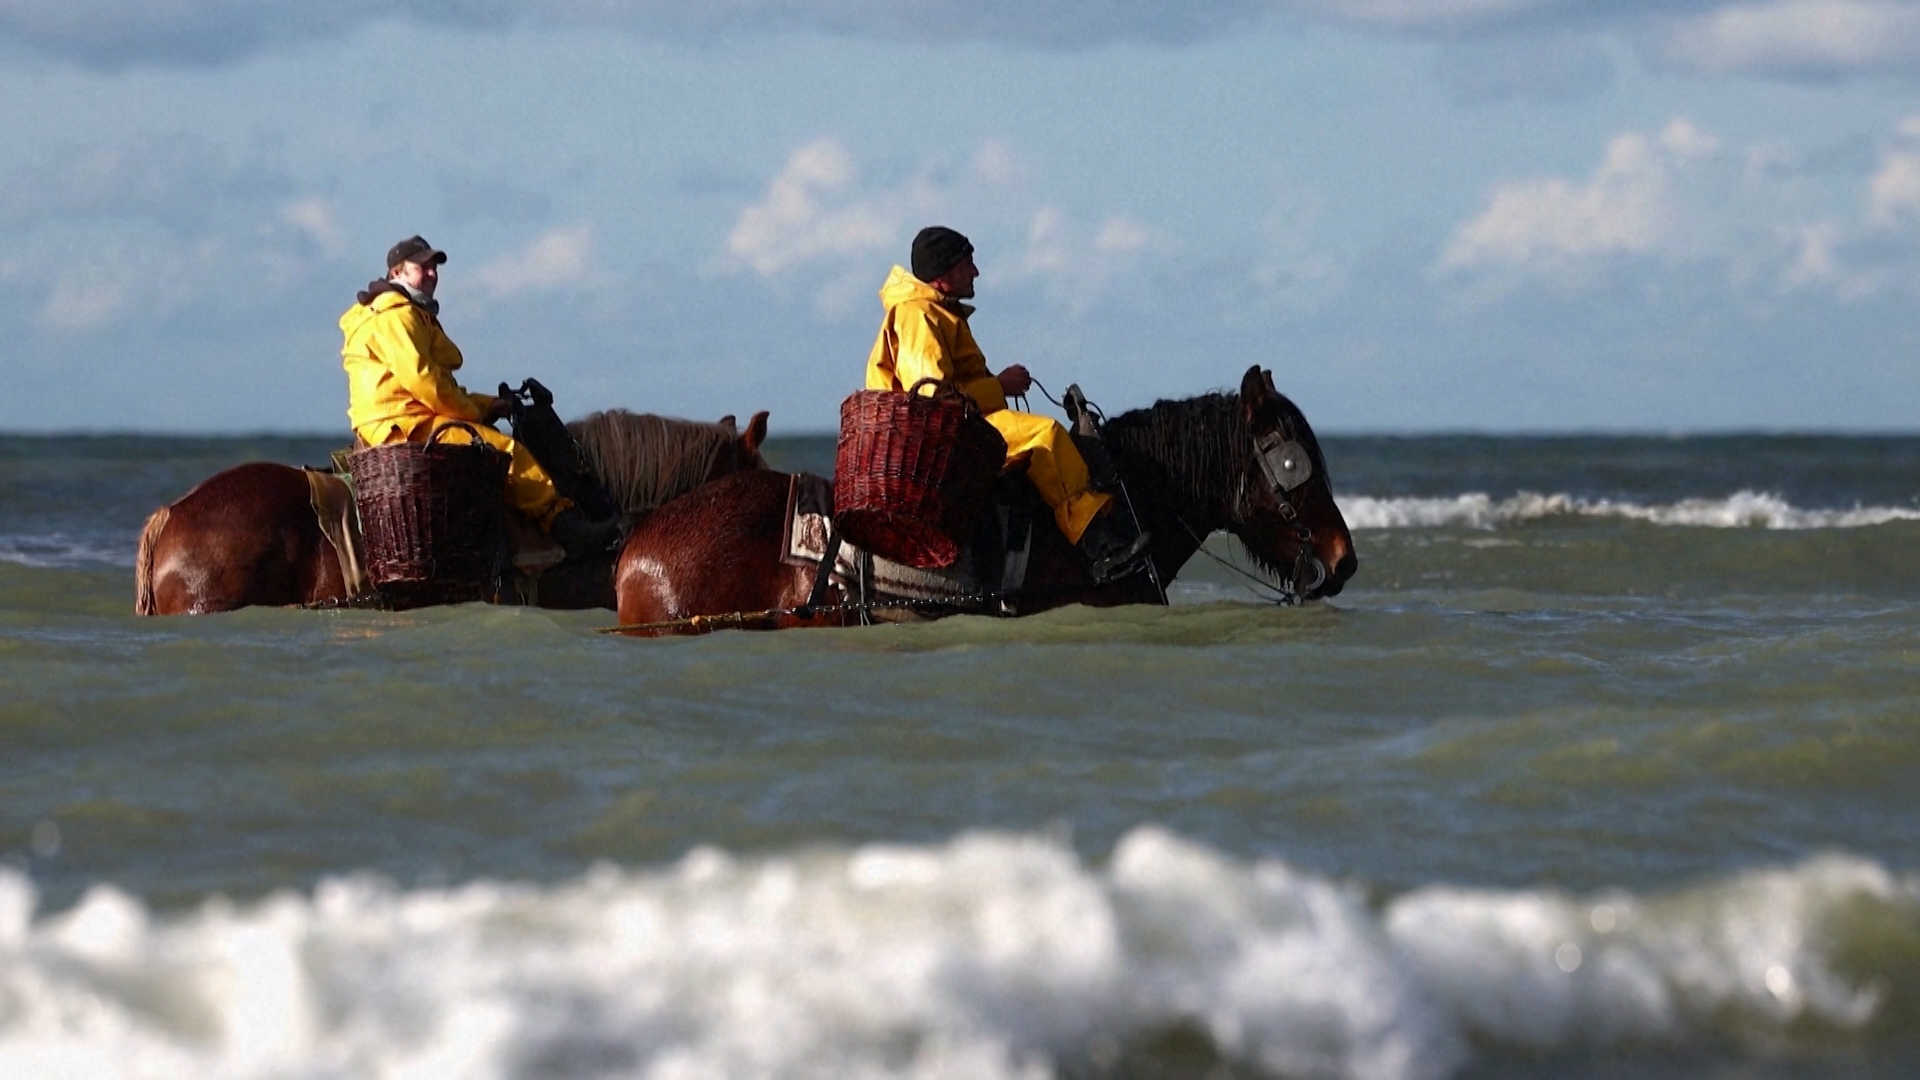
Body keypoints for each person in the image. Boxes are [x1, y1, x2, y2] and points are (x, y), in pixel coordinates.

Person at [865, 226, 1150, 581]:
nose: (976, 272)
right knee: (1044, 435)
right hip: (934, 437)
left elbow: (951, 386)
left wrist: (996, 386)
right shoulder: (918, 315)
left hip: (953, 426)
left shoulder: (936, 312)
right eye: (967, 263)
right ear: (942, 274)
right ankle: (1098, 546)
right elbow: (932, 398)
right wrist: (999, 386)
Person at [339, 235, 618, 557]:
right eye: (422, 267)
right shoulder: (396, 316)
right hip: (402, 424)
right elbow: (424, 382)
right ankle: (565, 526)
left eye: (434, 267)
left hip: (407, 416)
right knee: (505, 451)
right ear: (397, 273)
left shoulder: (401, 314)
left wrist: (492, 405)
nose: (431, 273)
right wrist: (472, 413)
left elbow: (439, 387)